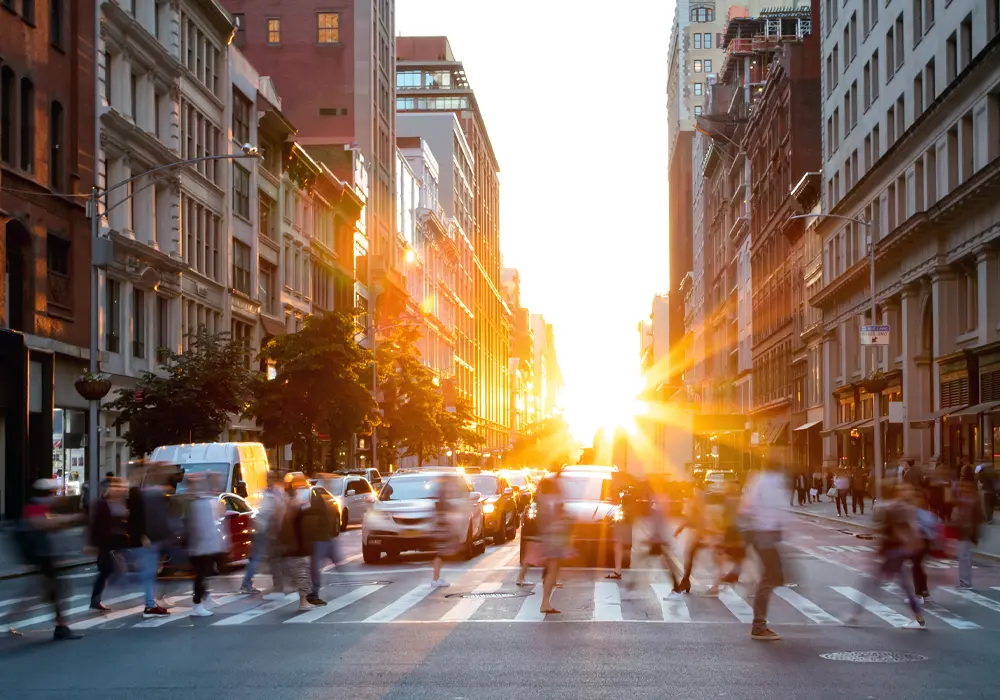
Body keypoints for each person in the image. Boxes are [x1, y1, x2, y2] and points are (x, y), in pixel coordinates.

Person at [10, 479, 82, 640]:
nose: (56, 496)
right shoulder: (34, 506)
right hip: (41, 557)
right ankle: (60, 627)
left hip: (44, 557)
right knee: (54, 591)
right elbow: (41, 524)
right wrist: (69, 518)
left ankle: (59, 626)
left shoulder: (39, 506)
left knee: (48, 591)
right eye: (53, 492)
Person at [846, 483, 925, 629]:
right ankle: (918, 616)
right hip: (897, 551)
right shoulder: (906, 509)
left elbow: (885, 529)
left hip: (894, 552)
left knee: (871, 584)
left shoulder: (896, 508)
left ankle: (855, 615)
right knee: (904, 587)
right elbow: (908, 530)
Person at [740, 456, 789, 641]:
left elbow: (746, 508)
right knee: (771, 576)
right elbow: (776, 509)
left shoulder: (760, 481)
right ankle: (759, 626)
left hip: (762, 534)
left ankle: (759, 624)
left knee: (773, 576)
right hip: (764, 535)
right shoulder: (770, 482)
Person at [128, 461, 174, 618]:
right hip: (145, 539)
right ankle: (150, 605)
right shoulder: (135, 492)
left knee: (150, 572)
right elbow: (134, 517)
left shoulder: (139, 491)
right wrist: (142, 536)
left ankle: (152, 602)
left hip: (149, 538)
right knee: (148, 573)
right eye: (141, 472)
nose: (143, 474)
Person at [186, 474, 227, 617]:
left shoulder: (206, 501)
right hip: (202, 546)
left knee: (204, 573)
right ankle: (198, 603)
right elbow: (202, 527)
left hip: (205, 545)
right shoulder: (201, 503)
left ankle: (202, 597)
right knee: (201, 574)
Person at [241, 471, 287, 596]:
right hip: (265, 529)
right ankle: (247, 584)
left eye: (270, 478)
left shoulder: (269, 492)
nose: (269, 480)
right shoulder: (273, 493)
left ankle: (277, 583)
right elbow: (272, 510)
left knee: (264, 557)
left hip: (263, 528)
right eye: (268, 478)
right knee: (259, 557)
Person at [89, 477, 130, 611]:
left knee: (109, 570)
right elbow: (94, 525)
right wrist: (92, 544)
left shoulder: (121, 502)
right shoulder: (101, 504)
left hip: (118, 542)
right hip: (105, 542)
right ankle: (96, 600)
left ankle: (96, 599)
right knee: (106, 569)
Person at [279, 473, 316, 611]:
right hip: (297, 545)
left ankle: (303, 600)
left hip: (299, 544)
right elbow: (290, 524)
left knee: (303, 572)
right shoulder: (293, 503)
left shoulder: (296, 502)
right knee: (302, 573)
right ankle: (303, 601)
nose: (304, 487)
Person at [536, 475, 569, 614]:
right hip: (555, 536)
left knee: (552, 568)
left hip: (546, 535)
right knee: (552, 568)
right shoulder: (555, 500)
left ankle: (545, 602)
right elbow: (562, 515)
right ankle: (545, 603)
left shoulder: (541, 500)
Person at [305, 483, 338, 606]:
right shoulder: (310, 496)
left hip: (318, 539)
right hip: (318, 539)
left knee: (314, 567)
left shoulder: (311, 497)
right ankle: (311, 594)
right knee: (313, 568)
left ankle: (312, 594)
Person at [430, 475, 462, 588]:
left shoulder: (440, 494)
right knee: (440, 554)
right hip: (441, 527)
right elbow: (444, 508)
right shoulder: (441, 494)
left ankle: (437, 578)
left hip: (441, 527)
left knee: (441, 554)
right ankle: (435, 579)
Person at [953, 479, 982, 589]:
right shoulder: (967, 500)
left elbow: (974, 518)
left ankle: (965, 582)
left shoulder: (967, 501)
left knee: (964, 557)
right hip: (965, 532)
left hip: (966, 532)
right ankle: (965, 581)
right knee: (964, 557)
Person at [605, 485, 636, 582]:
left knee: (619, 545)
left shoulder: (626, 498)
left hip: (626, 524)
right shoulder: (626, 497)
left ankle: (618, 571)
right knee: (618, 545)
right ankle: (617, 570)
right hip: (626, 524)